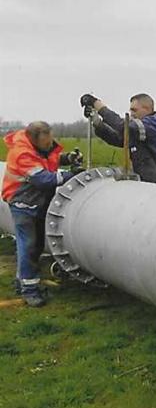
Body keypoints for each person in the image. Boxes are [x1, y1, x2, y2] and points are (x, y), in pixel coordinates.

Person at [2, 122, 83, 307]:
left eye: (50, 141)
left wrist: (67, 158)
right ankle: (29, 290)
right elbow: (43, 179)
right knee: (28, 246)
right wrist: (70, 175)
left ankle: (23, 281)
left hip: (36, 204)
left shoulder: (37, 148)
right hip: (23, 205)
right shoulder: (22, 154)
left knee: (35, 245)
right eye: (46, 143)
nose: (49, 145)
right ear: (34, 140)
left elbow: (47, 159)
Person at [82, 92, 156, 187]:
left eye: (134, 110)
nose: (131, 113)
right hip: (153, 183)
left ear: (147, 109)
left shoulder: (155, 123)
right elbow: (118, 139)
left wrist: (98, 105)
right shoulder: (138, 131)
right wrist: (97, 123)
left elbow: (123, 127)